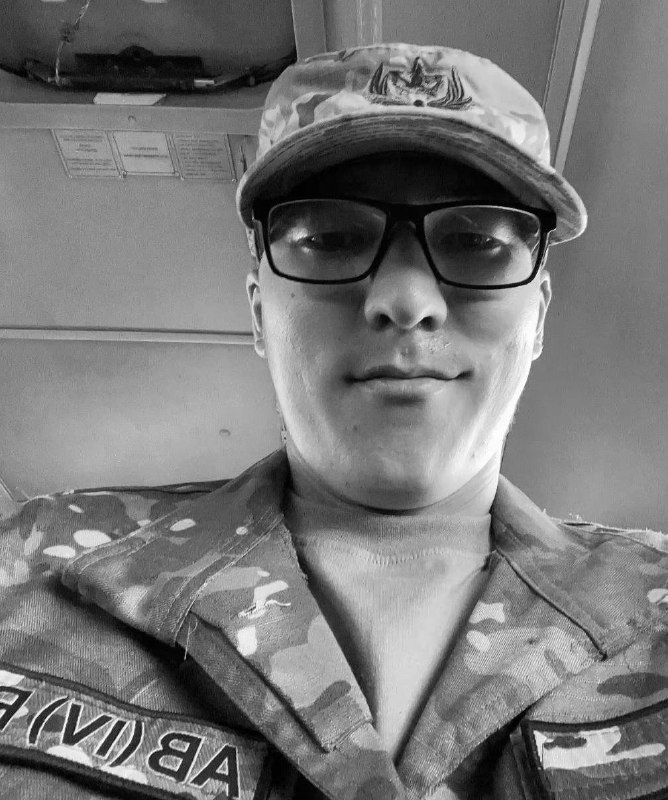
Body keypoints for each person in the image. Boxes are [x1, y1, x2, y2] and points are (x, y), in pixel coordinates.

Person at [0, 43, 666, 800]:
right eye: (329, 238)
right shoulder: (30, 562)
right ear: (259, 312)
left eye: (477, 241)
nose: (406, 299)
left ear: (538, 317)